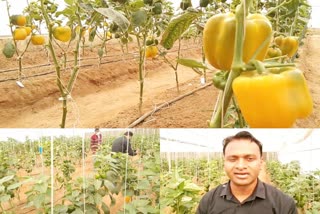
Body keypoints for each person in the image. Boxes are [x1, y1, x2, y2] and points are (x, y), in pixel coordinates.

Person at [196, 131, 297, 214]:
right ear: (224, 163)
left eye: (249, 159)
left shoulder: (283, 204)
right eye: (232, 159)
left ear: (261, 163)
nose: (240, 166)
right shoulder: (208, 201)